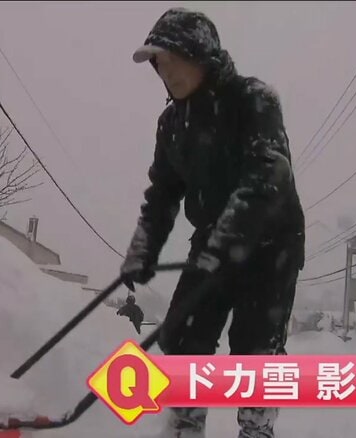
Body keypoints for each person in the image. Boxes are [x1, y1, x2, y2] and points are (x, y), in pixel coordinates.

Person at [119, 7, 305, 438]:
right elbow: (163, 192)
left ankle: (257, 428)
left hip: (271, 241)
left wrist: (225, 242)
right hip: (212, 239)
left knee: (255, 346)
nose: (164, 72)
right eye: (157, 65)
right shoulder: (172, 124)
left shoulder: (253, 100)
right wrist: (142, 250)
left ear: (198, 53)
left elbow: (268, 174)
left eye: (170, 59)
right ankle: (185, 423)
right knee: (183, 331)